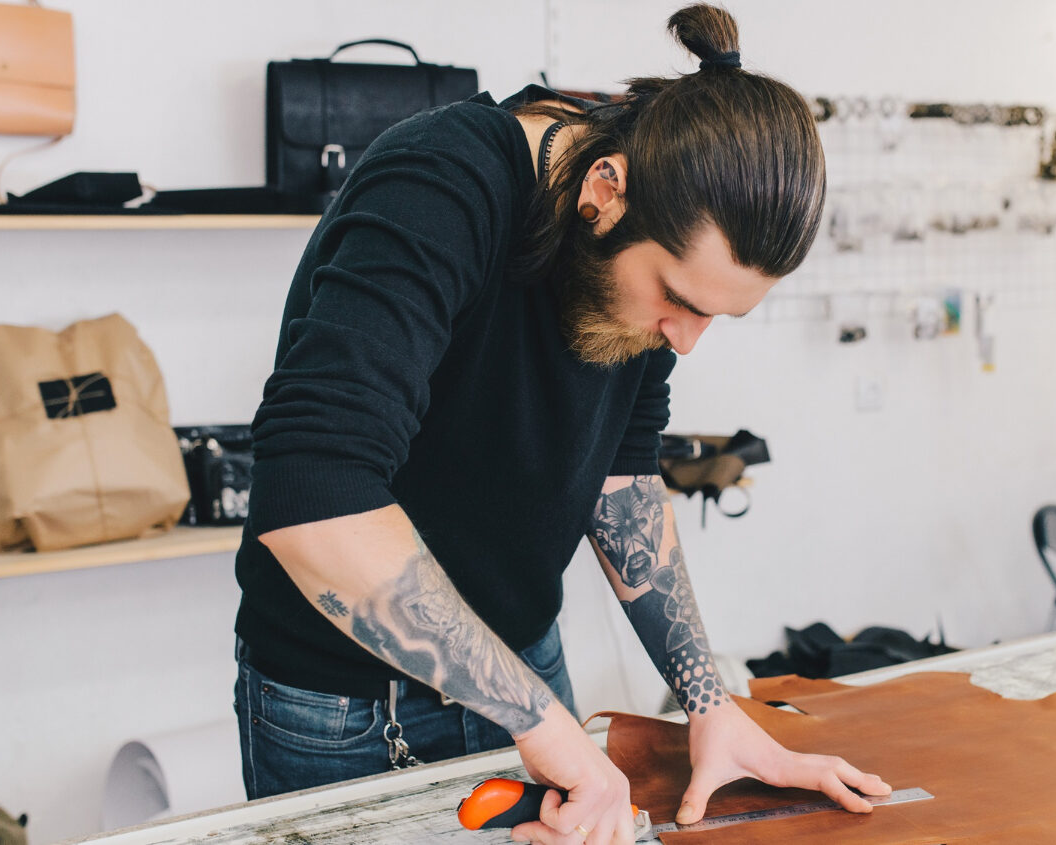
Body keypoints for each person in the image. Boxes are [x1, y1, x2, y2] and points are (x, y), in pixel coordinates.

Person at [233, 5, 888, 843]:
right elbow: (312, 494)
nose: (688, 339)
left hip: (523, 670)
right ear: (604, 192)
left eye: (716, 316)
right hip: (348, 703)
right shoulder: (439, 185)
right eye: (682, 302)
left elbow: (623, 475)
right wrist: (542, 723)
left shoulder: (645, 253)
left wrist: (708, 703)